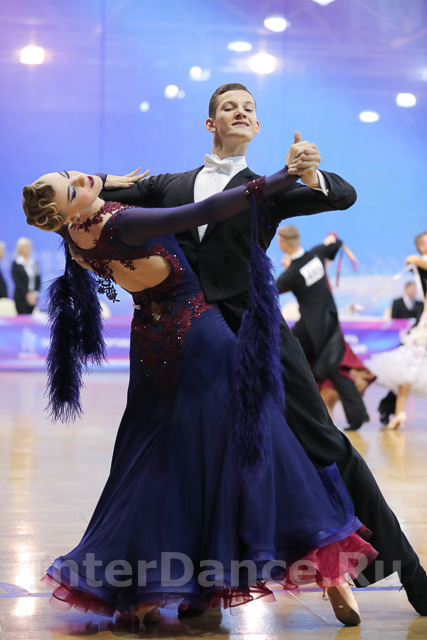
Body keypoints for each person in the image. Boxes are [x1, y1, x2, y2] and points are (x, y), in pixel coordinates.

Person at [96, 83, 427, 614]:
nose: (241, 112)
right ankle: (196, 584)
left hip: (257, 331)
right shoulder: (170, 185)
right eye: (230, 107)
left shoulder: (268, 187)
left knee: (324, 443)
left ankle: (408, 570)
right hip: (189, 341)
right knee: (189, 457)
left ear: (257, 126)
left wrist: (309, 173)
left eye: (249, 108)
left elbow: (341, 196)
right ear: (211, 124)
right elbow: (92, 202)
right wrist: (106, 182)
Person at [22, 155, 377, 627]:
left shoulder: (75, 238)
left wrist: (101, 182)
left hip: (150, 347)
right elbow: (206, 210)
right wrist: (279, 179)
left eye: (69, 172)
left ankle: (148, 589)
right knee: (269, 444)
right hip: (201, 339)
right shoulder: (124, 222)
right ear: (68, 210)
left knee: (156, 461)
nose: (81, 177)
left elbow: (85, 194)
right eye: (72, 187)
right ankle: (332, 575)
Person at [275, 226, 370, 432]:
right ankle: (357, 415)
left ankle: (289, 414)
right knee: (333, 368)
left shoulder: (291, 273)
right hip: (330, 320)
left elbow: (270, 291)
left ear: (282, 244)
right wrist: (331, 238)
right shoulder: (316, 254)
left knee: (286, 360)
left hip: (310, 329)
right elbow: (336, 244)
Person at [378, 233, 427, 425]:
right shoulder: (420, 262)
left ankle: (397, 411)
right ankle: (397, 411)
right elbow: (412, 259)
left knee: (410, 364)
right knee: (408, 365)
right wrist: (415, 258)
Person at [367, 288, 427, 430]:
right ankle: (398, 413)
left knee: (406, 375)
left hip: (419, 343)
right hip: (418, 342)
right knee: (405, 376)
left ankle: (399, 413)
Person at [11, 237, 41, 314]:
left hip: (33, 297)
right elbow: (17, 281)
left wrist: (35, 294)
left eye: (29, 247)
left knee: (31, 317)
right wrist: (27, 294)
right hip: (21, 297)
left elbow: (38, 279)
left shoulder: (33, 263)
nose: (28, 249)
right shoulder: (16, 263)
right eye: (25, 247)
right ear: (20, 248)